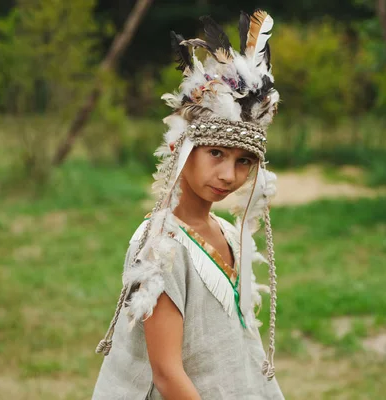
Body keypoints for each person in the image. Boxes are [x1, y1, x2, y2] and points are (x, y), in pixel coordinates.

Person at [92, 9, 283, 399]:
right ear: (184, 149)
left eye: (243, 161)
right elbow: (166, 374)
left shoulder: (227, 234)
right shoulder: (160, 249)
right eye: (216, 153)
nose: (229, 175)